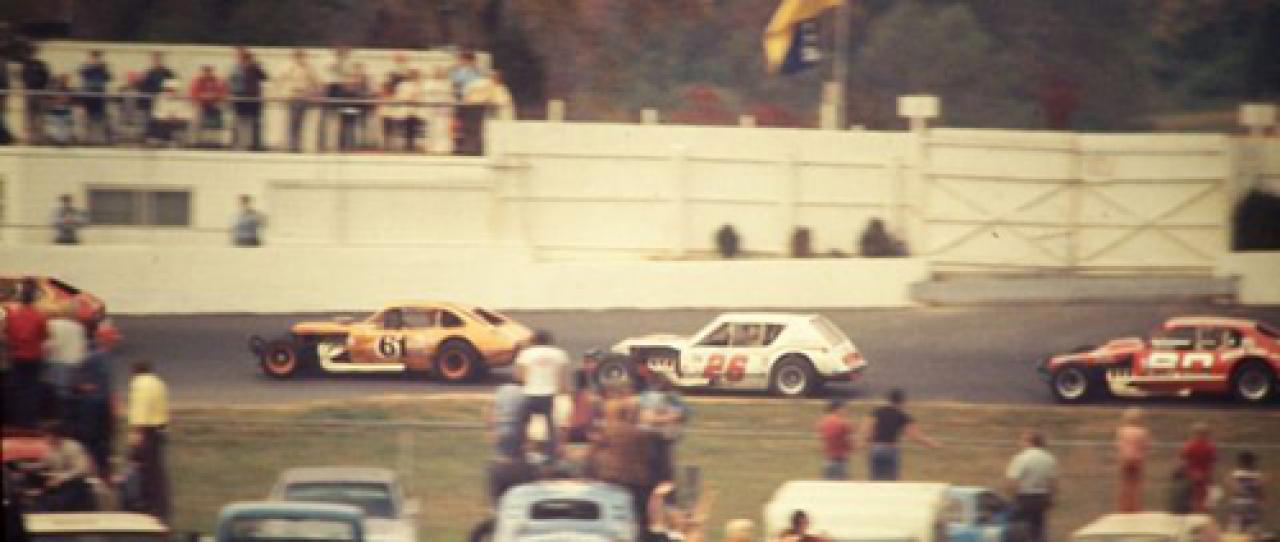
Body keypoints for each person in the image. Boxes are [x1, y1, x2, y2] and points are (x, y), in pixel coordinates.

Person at [514, 330, 571, 465]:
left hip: (530, 394)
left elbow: (520, 377)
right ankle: (551, 457)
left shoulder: (526, 353)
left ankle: (524, 454)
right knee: (551, 428)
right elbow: (561, 380)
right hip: (549, 395)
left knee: (524, 426)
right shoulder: (560, 354)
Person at [860, 388, 938, 481]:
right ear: (902, 401)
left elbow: (866, 428)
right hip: (891, 449)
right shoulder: (903, 416)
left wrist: (866, 441)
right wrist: (931, 443)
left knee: (875, 481)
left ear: (888, 399)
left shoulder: (877, 412)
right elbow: (914, 436)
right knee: (893, 482)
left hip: (876, 449)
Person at [2, 279, 50, 428]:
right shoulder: (39, 316)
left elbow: (7, 334)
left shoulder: (12, 315)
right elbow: (45, 336)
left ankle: (17, 420)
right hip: (34, 356)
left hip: (16, 356)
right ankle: (30, 420)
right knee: (32, 389)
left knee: (17, 388)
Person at [127, 360, 170, 521]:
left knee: (145, 471)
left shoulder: (140, 385)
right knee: (157, 472)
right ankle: (160, 506)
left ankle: (147, 506)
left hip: (147, 431)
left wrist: (137, 433)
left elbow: (141, 409)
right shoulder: (158, 382)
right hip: (160, 430)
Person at [1005, 430, 1057, 542]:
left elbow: (1012, 481)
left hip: (1024, 497)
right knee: (1038, 528)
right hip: (1042, 497)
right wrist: (1051, 498)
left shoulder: (1021, 458)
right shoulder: (1049, 458)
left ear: (1029, 442)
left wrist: (1012, 498)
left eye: (1022, 440)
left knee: (1016, 528)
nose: (1020, 443)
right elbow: (1052, 482)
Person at [37, 425, 97, 512]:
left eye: (46, 436)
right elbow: (45, 464)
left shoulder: (73, 447)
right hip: (57, 485)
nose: (44, 439)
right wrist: (29, 467)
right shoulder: (51, 449)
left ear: (55, 435)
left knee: (56, 502)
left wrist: (61, 478)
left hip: (75, 485)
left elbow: (82, 469)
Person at [276, 49, 319, 153]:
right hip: (293, 97)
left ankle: (297, 145)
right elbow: (280, 80)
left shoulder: (308, 68)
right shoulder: (289, 67)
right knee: (292, 122)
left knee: (300, 122)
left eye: (302, 56)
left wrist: (314, 92)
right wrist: (280, 93)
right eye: (299, 56)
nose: (301, 58)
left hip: (304, 97)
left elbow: (316, 81)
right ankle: (291, 144)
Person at [228, 47, 269, 151]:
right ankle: (236, 143)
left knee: (255, 121)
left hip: (254, 97)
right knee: (238, 121)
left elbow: (265, 77)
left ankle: (256, 144)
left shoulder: (255, 67)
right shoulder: (235, 68)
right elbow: (231, 82)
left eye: (245, 57)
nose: (243, 60)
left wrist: (257, 66)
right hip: (240, 97)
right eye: (241, 57)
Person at [43, 317, 88, 402]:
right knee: (69, 392)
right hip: (75, 363)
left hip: (57, 361)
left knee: (57, 392)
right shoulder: (78, 326)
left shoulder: (51, 324)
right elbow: (83, 346)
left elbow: (49, 345)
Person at [1115, 407, 1150, 513]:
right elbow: (1145, 446)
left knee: (1124, 484)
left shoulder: (1122, 431)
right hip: (1137, 460)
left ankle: (1124, 507)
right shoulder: (1143, 432)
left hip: (1125, 459)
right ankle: (1136, 508)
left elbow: (1119, 446)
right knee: (1136, 485)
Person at [1225, 451, 1266, 535]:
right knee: (1252, 528)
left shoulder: (1234, 474)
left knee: (1235, 528)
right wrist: (1262, 501)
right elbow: (1259, 490)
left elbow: (1231, 488)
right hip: (1251, 503)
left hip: (1237, 503)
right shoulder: (1257, 475)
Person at [1179, 422, 1216, 513]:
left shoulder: (1190, 445)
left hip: (1191, 474)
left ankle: (1194, 513)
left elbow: (1183, 460)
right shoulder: (1210, 446)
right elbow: (1212, 462)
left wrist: (1184, 472)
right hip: (1205, 475)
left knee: (1192, 497)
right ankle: (1201, 513)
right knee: (1203, 497)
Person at [77, 50, 113, 145]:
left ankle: (98, 140)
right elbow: (82, 74)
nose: (95, 60)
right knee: (86, 120)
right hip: (88, 97)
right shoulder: (86, 67)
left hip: (99, 98)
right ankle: (86, 140)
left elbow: (108, 77)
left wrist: (101, 67)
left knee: (99, 120)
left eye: (97, 58)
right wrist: (91, 66)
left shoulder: (102, 68)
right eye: (93, 57)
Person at [189, 66, 228, 147]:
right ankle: (195, 142)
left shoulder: (218, 81)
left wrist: (215, 97)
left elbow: (223, 93)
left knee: (224, 118)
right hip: (202, 105)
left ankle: (219, 142)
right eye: (205, 72)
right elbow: (193, 93)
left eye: (209, 72)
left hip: (215, 105)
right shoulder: (197, 81)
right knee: (196, 117)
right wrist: (203, 97)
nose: (207, 74)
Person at [21, 45, 52, 144]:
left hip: (39, 92)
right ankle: (30, 138)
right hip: (30, 92)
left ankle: (39, 137)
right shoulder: (26, 65)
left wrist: (42, 88)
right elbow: (23, 77)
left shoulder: (41, 65)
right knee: (29, 116)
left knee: (40, 116)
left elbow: (46, 77)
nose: (32, 55)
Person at [136, 52, 176, 130]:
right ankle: (150, 132)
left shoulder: (168, 73)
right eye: (155, 59)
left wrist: (164, 94)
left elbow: (173, 86)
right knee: (150, 118)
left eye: (158, 59)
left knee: (162, 118)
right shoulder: (149, 73)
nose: (157, 61)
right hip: (151, 101)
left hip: (164, 101)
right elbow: (143, 87)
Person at [388, 69, 424, 151]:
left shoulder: (419, 85)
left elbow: (420, 97)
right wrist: (408, 98)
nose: (414, 77)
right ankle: (400, 146)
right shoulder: (402, 85)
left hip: (414, 111)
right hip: (403, 110)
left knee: (412, 130)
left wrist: (415, 99)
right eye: (413, 75)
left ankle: (411, 146)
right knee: (403, 130)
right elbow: (398, 96)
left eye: (416, 75)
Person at [816, 399, 853, 480]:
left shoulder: (823, 422)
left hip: (828, 458)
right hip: (840, 458)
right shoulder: (842, 423)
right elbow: (848, 441)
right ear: (838, 409)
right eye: (845, 408)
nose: (846, 411)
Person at [421, 67, 454, 154]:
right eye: (437, 72)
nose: (438, 73)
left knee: (442, 128)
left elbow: (449, 96)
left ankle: (443, 148)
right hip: (430, 108)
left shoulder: (447, 83)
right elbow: (425, 95)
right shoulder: (427, 83)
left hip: (443, 108)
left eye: (440, 72)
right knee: (430, 129)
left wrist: (449, 108)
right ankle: (430, 147)